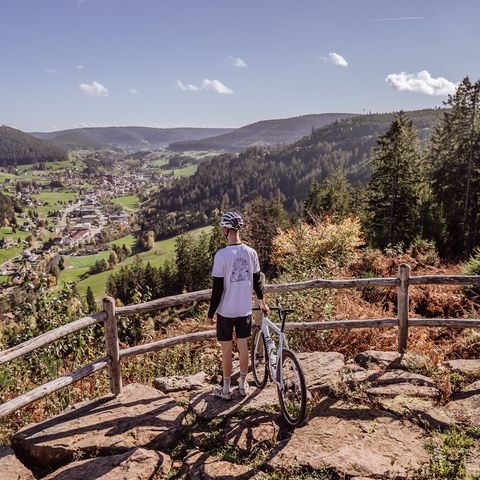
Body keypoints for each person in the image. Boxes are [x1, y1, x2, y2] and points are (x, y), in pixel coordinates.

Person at [207, 211, 269, 400]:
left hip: (225, 311)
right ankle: (242, 385)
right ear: (239, 229)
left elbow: (217, 290)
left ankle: (225, 390)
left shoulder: (221, 255)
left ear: (226, 230)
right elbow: (257, 282)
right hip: (244, 309)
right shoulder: (251, 253)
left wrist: (210, 314)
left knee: (226, 349)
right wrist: (262, 303)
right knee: (243, 347)